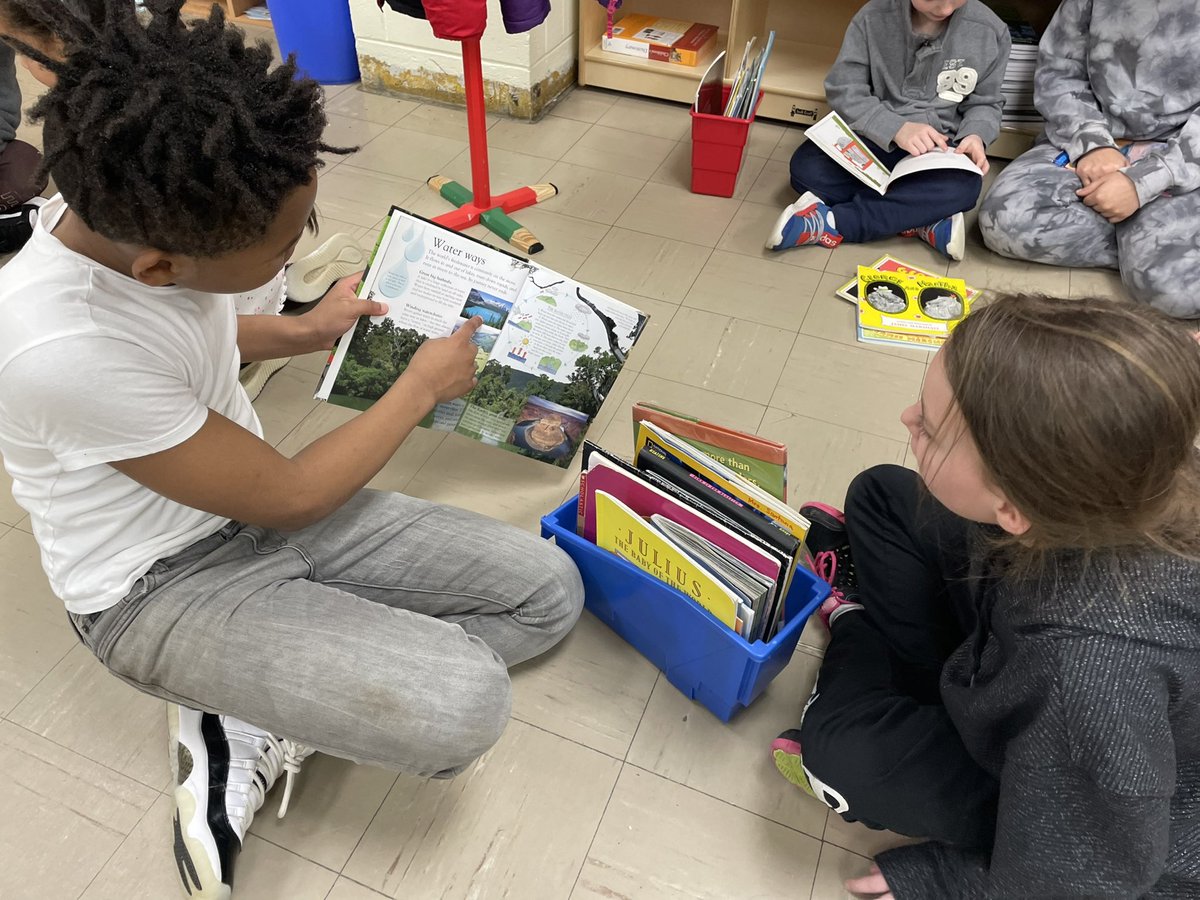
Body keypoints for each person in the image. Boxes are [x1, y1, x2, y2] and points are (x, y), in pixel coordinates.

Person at [0, 5, 583, 900]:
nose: (297, 250)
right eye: (286, 245)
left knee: (548, 595)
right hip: (158, 587)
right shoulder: (56, 348)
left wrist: (305, 330)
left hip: (250, 511)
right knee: (465, 705)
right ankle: (234, 714)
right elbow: (294, 495)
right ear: (161, 265)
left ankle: (280, 673)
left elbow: (188, 336)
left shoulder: (122, 219)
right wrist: (418, 388)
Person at [770, 293, 1200, 897]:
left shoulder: (1091, 677)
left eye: (930, 428)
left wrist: (950, 880)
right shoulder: (1133, 467)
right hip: (1021, 621)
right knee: (882, 495)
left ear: (1016, 506)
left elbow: (1090, 874)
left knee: (842, 755)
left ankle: (855, 625)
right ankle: (924, 678)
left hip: (1071, 797)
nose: (907, 418)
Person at [979, 0, 1200, 319]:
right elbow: (1059, 73)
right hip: (1095, 141)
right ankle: (1147, 247)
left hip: (1182, 160)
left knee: (1174, 291)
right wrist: (1094, 145)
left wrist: (1143, 182)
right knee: (1004, 221)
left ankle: (1150, 250)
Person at [766, 0, 1009, 262]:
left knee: (965, 187)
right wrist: (895, 128)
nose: (945, 9)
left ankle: (833, 223)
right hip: (874, 139)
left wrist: (975, 135)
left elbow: (986, 103)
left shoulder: (992, 30)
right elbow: (844, 89)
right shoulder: (872, 16)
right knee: (806, 168)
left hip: (937, 151)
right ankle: (920, 217)